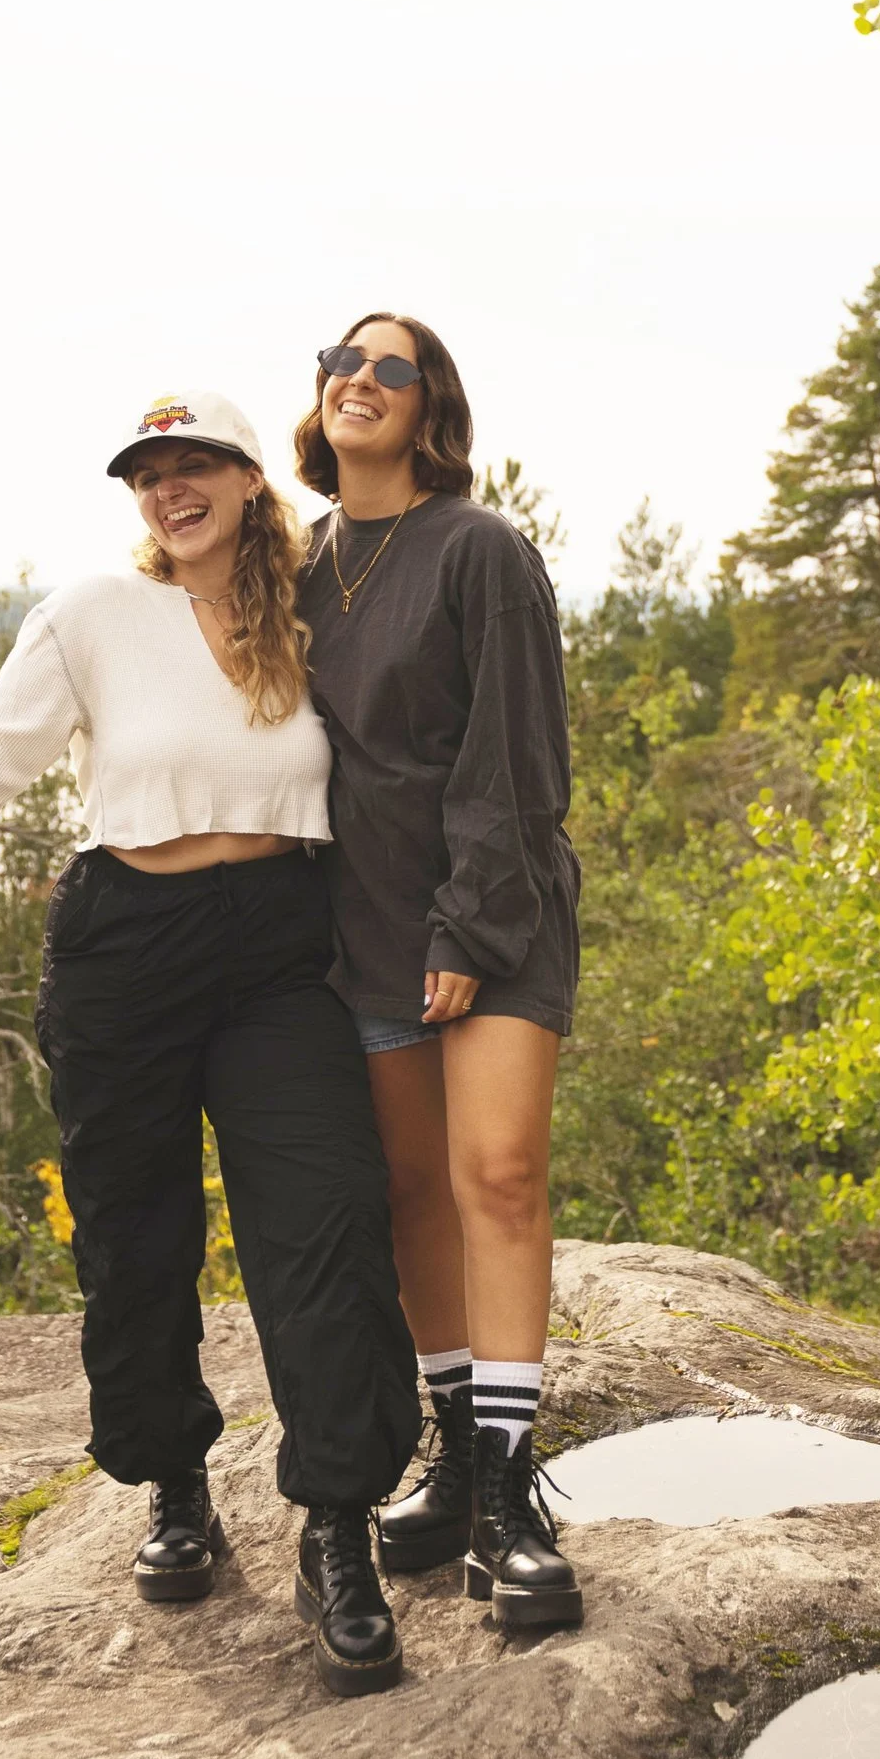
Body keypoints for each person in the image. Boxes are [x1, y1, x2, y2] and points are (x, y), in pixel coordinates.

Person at [0, 391, 421, 1701]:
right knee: (134, 1232)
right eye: (146, 474)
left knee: (326, 1219)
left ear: (243, 478)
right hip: (131, 949)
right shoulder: (92, 617)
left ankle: (338, 1529)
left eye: (194, 467)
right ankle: (174, 1483)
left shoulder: (313, 607)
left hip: (283, 952)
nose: (170, 490)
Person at [294, 313, 584, 1632]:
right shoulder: (295, 570)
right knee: (414, 1191)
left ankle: (515, 1500)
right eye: (343, 364)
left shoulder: (482, 552)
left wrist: (469, 930)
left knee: (498, 1176)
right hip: (361, 934)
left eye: (391, 369)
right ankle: (459, 1460)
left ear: (430, 410)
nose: (361, 381)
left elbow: (516, 762)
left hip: (496, 921)